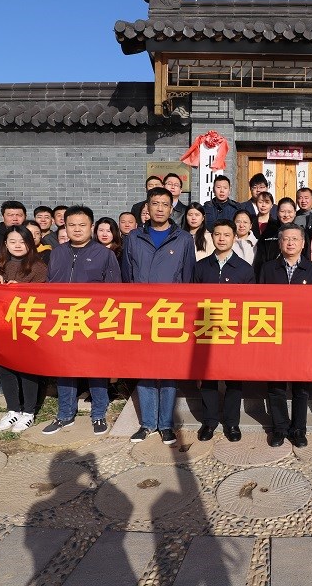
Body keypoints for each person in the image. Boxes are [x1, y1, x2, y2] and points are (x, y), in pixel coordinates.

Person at [122, 186, 196, 444]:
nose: (160, 208)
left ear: (171, 208)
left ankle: (165, 424)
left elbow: (188, 277)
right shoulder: (133, 237)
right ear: (148, 207)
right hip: (141, 312)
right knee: (144, 368)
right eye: (155, 203)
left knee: (167, 369)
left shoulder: (183, 239)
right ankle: (147, 423)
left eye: (165, 204)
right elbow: (127, 276)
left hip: (170, 312)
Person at [42, 205, 121, 436]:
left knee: (96, 368)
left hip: (92, 321)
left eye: (82, 225)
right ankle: (65, 414)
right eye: (72, 225)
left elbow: (115, 291)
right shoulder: (56, 253)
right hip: (63, 319)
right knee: (64, 368)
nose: (77, 229)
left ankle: (98, 413)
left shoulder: (104, 254)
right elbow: (48, 286)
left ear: (92, 227)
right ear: (64, 227)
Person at [258, 223, 312, 448]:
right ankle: (279, 428)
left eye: (295, 239)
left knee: (301, 387)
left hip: (303, 338)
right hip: (275, 335)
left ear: (303, 243)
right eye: (286, 239)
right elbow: (260, 302)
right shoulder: (268, 269)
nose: (290, 243)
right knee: (275, 385)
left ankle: (298, 429)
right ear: (279, 243)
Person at [0, 224, 48, 433]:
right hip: (1, 326)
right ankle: (13, 410)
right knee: (6, 368)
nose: (18, 245)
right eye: (13, 241)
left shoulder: (38, 267)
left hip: (27, 325)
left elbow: (44, 295)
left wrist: (19, 289)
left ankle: (28, 412)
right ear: (5, 244)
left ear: (30, 243)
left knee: (27, 369)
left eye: (23, 241)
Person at [192, 219, 255, 442]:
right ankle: (209, 422)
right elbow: (192, 300)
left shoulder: (245, 269)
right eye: (217, 234)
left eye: (226, 235)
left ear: (234, 238)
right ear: (212, 237)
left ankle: (232, 423)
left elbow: (250, 304)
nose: (221, 239)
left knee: (233, 379)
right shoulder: (201, 267)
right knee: (208, 378)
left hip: (233, 332)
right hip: (207, 330)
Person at [253, 197, 297, 277]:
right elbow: (260, 259)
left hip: (295, 276)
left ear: (295, 213)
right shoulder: (268, 232)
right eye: (282, 211)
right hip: (271, 275)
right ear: (277, 212)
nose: (286, 215)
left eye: (289, 212)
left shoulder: (301, 233)